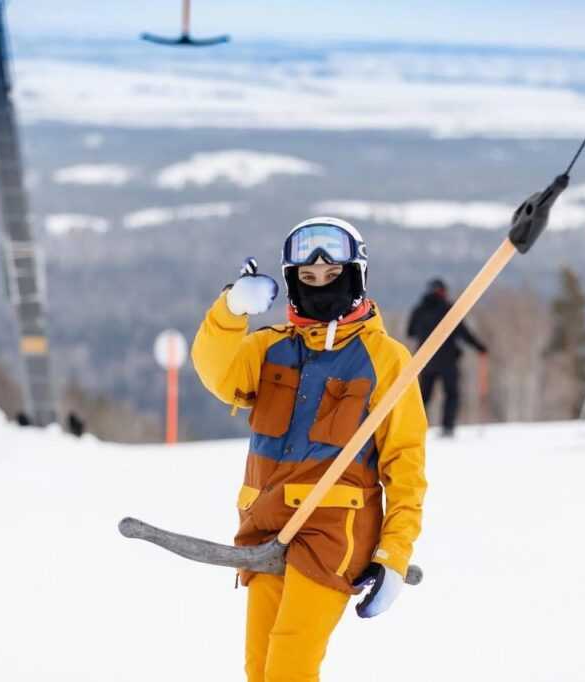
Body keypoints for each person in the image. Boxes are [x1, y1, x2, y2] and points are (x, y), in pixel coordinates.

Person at [191, 217, 427, 682]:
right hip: (264, 525)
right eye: (309, 277)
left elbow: (406, 468)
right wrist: (230, 310)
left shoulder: (385, 360)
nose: (321, 285)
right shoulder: (269, 348)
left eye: (333, 275)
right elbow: (217, 373)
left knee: (290, 667)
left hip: (333, 534)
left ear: (356, 277)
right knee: (260, 669)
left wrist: (394, 554)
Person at [407, 278, 487, 437]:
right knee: (451, 394)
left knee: (423, 397)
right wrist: (480, 348)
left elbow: (410, 332)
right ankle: (447, 427)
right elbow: (463, 332)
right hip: (448, 360)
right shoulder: (448, 309)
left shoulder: (419, 310)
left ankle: (416, 427)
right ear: (442, 292)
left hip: (425, 360)